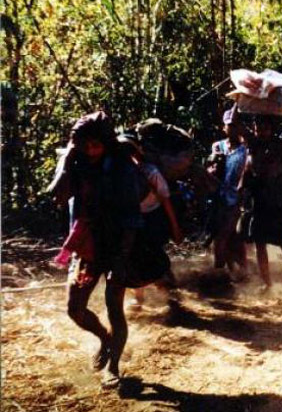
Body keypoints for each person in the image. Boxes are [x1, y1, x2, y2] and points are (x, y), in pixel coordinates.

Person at [48, 111, 143, 389]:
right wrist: (66, 160)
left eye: (96, 145)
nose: (91, 150)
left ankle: (113, 367)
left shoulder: (121, 166)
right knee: (75, 309)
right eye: (85, 145)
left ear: (106, 143)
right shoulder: (75, 163)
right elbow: (57, 195)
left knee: (115, 306)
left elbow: (132, 216)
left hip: (117, 245)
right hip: (86, 245)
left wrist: (122, 259)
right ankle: (105, 338)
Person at [118, 134, 183, 309]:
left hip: (153, 219)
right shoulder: (120, 174)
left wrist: (175, 227)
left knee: (153, 257)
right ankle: (140, 298)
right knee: (134, 257)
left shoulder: (150, 171)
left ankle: (171, 296)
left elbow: (165, 199)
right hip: (133, 220)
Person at [240, 116, 282, 291]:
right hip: (259, 199)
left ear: (271, 129)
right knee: (259, 241)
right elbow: (247, 169)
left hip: (278, 200)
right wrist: (241, 189)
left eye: (264, 128)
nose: (260, 132)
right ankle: (267, 283)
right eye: (257, 128)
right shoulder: (252, 146)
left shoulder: (281, 146)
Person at [211, 106, 248, 280]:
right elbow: (211, 169)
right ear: (223, 127)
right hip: (218, 198)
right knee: (229, 236)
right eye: (229, 125)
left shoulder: (245, 149)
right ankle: (236, 270)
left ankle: (221, 273)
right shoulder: (218, 147)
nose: (231, 129)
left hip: (238, 199)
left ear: (240, 127)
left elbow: (247, 174)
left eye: (235, 125)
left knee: (223, 236)